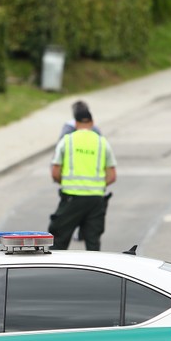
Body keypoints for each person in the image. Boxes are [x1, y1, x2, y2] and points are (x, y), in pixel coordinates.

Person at [48, 102, 117, 251]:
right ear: (92, 123)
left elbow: (55, 172)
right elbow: (112, 176)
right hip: (96, 200)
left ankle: (54, 272)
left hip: (71, 198)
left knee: (58, 241)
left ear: (76, 123)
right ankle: (96, 273)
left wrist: (65, 181)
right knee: (93, 244)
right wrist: (97, 185)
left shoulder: (67, 141)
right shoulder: (102, 142)